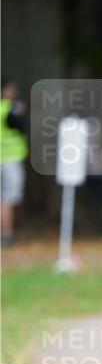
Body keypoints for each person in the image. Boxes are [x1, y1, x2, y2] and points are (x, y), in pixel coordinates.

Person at [0, 79, 29, 246]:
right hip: (10, 159)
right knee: (8, 199)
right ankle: (7, 234)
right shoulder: (10, 109)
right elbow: (19, 125)